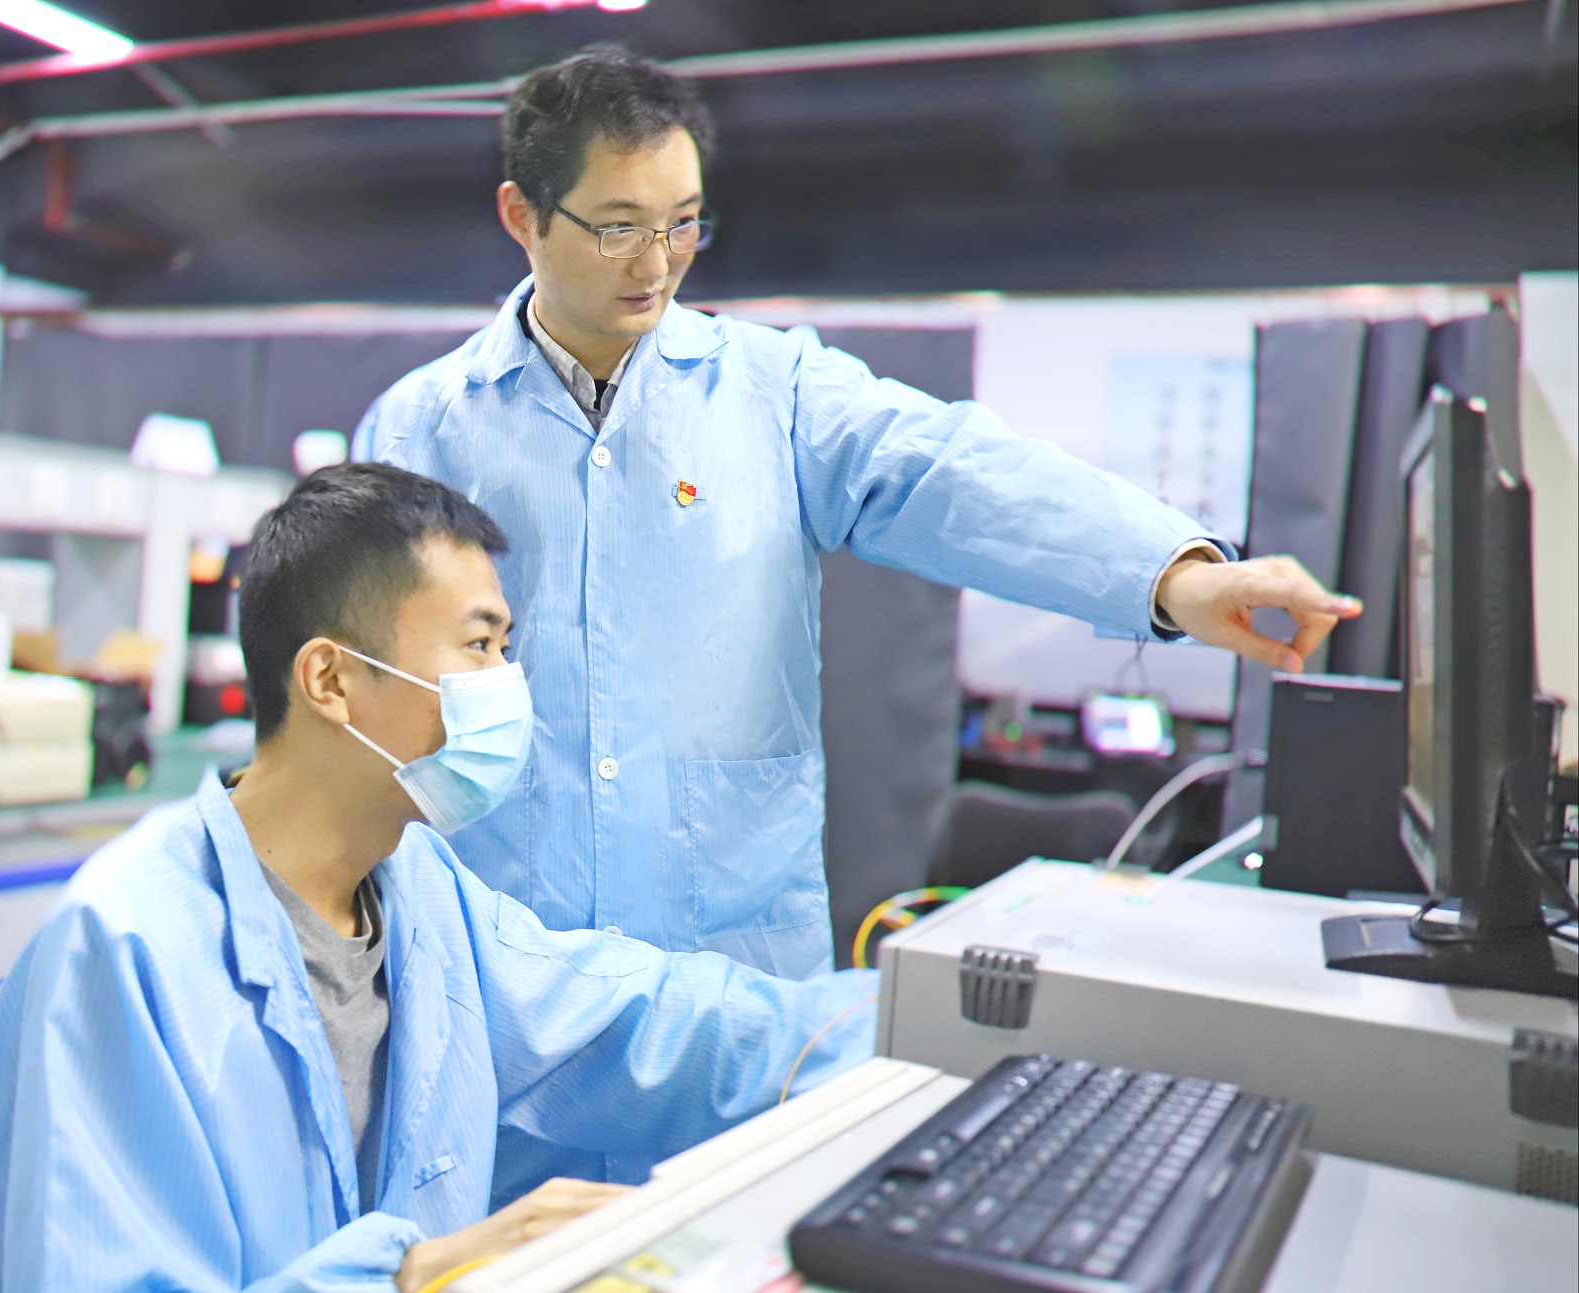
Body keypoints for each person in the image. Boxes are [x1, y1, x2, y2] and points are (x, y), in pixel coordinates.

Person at [352, 46, 1360, 1200]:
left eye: (683, 224)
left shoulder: (772, 392)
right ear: (520, 216)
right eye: (618, 227)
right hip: (515, 1013)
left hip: (744, 1008)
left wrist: (1170, 573)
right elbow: (365, 707)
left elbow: (946, 470)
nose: (656, 263)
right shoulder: (420, 429)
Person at [0, 462, 879, 1292]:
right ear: (330, 680)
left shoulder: (416, 887)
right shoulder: (127, 946)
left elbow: (639, 1019)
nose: (506, 684)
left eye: (506, 648)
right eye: (477, 647)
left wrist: (894, 1019)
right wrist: (406, 1276)